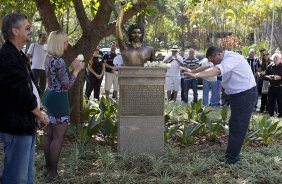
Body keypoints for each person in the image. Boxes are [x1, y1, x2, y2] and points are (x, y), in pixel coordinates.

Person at [184, 46, 257, 164]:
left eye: (212, 59)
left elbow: (217, 70)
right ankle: (231, 156)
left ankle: (232, 159)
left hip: (245, 94)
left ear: (218, 54)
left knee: (238, 126)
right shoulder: (222, 59)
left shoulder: (232, 58)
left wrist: (196, 76)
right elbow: (208, 67)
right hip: (237, 95)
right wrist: (192, 71)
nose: (212, 62)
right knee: (235, 125)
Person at [0, 12, 49, 183]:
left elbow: (32, 88)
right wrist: (40, 114)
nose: (31, 30)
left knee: (27, 176)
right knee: (16, 178)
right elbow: (21, 94)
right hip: (16, 127)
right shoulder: (7, 56)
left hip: (26, 124)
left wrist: (40, 110)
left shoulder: (18, 54)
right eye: (27, 28)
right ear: (15, 30)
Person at [42, 30, 85, 180]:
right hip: (59, 99)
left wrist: (71, 68)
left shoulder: (49, 58)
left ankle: (48, 170)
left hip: (48, 96)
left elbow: (57, 78)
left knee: (49, 135)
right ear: (60, 43)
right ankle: (53, 173)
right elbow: (66, 85)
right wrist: (77, 71)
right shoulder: (59, 61)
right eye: (65, 41)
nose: (67, 44)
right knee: (58, 137)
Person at [116, 1, 155, 66]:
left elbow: (155, 68)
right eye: (134, 32)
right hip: (126, 76)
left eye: (139, 33)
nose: (137, 35)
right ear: (130, 34)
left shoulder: (150, 49)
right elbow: (117, 27)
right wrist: (122, 9)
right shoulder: (124, 47)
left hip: (145, 76)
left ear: (142, 34)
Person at [264, 53, 282, 117]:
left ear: (280, 59)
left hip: (280, 87)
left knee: (280, 102)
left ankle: (280, 115)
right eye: (274, 58)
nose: (274, 59)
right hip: (271, 87)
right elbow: (265, 75)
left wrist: (280, 77)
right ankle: (271, 114)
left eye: (276, 58)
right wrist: (268, 77)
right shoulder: (270, 66)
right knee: (270, 101)